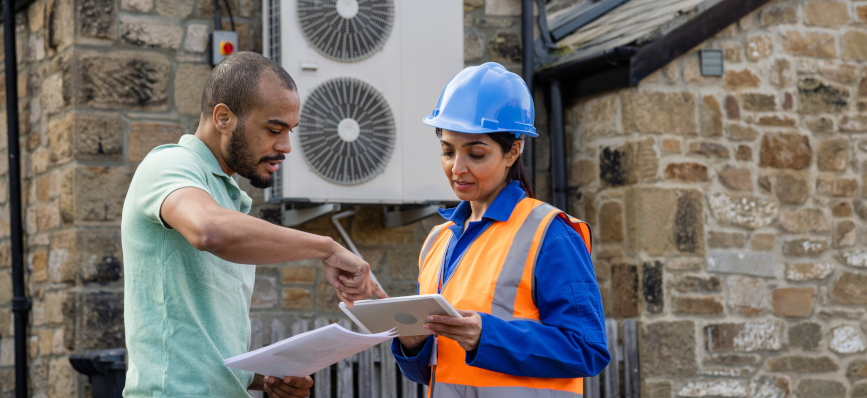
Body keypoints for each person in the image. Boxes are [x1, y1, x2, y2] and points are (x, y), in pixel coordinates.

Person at [121, 52, 386, 398]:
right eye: (274, 129)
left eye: (289, 131)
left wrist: (268, 377)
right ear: (223, 118)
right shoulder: (169, 164)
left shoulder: (227, 198)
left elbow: (204, 347)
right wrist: (327, 247)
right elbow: (208, 230)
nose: (286, 146)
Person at [391, 62, 610, 397]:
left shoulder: (551, 235)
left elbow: (587, 349)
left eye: (476, 154)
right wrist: (411, 344)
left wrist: (486, 336)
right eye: (447, 151)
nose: (457, 168)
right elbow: (435, 372)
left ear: (513, 151)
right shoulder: (438, 240)